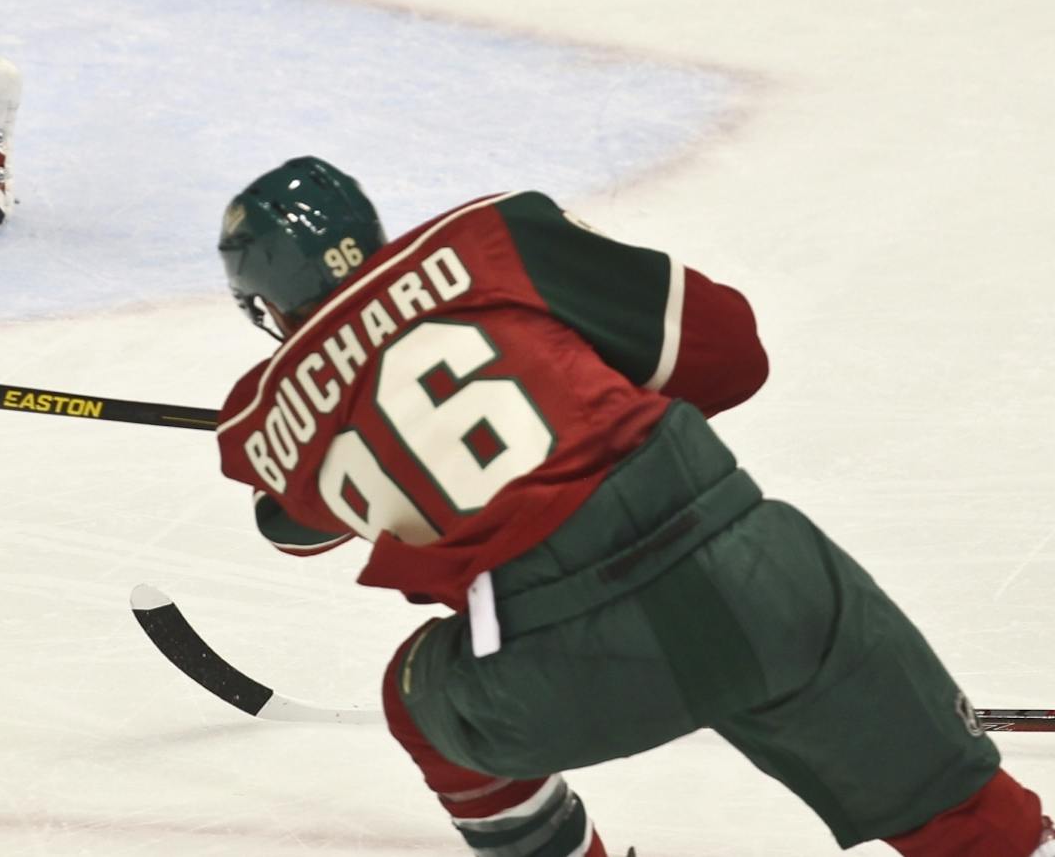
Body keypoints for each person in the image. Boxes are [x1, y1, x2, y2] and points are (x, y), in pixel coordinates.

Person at [212, 158, 1051, 857]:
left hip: (571, 666)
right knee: (976, 825)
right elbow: (729, 352)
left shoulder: (271, 411)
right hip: (761, 580)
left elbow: (289, 526)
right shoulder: (491, 240)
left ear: (266, 300)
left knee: (415, 696)